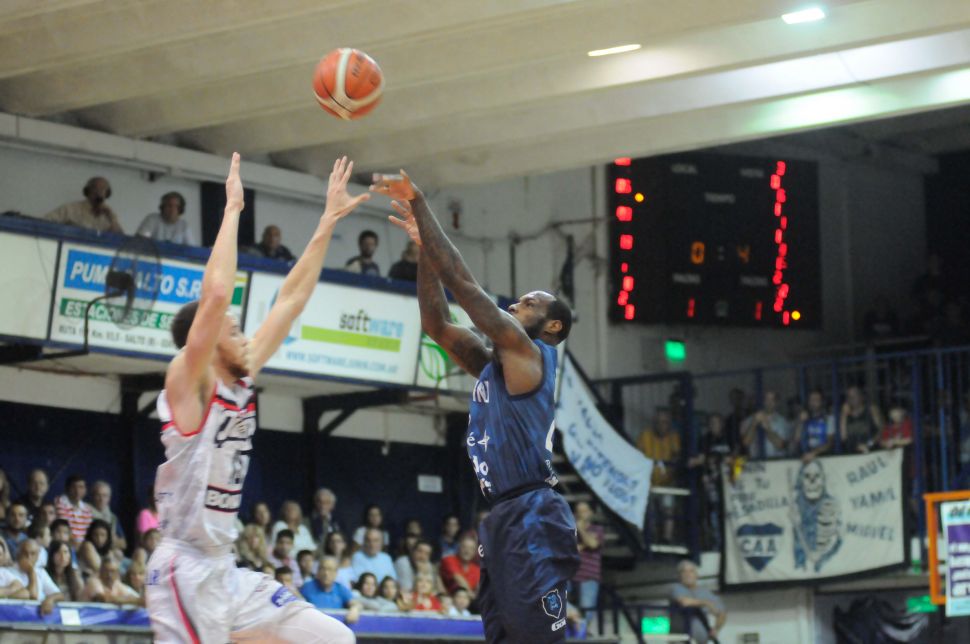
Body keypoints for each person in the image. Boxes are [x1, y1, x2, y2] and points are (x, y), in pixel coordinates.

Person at [143, 154, 366, 643]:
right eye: (233, 330)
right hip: (183, 569)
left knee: (333, 638)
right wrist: (232, 210)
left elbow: (291, 299)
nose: (245, 336)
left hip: (225, 570)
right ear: (205, 343)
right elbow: (216, 296)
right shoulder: (187, 383)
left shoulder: (240, 377)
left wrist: (327, 220)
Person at [376, 172, 578, 642]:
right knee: (500, 635)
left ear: (552, 327)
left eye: (529, 304)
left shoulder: (532, 354)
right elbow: (436, 322)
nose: (517, 304)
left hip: (533, 510)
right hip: (503, 515)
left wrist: (420, 205)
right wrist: (425, 252)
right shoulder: (495, 366)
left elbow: (465, 287)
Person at [638, 409, 682, 543]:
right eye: (658, 422)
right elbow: (638, 456)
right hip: (648, 482)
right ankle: (651, 539)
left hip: (667, 481)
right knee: (649, 512)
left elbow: (677, 456)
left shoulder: (674, 437)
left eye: (665, 422)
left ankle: (666, 539)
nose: (662, 425)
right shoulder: (645, 436)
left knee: (668, 509)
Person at [670, 559, 726, 644]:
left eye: (691, 571)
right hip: (680, 638)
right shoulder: (676, 588)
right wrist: (706, 603)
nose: (687, 574)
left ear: (696, 574)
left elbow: (721, 612)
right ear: (679, 576)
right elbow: (685, 602)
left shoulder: (705, 592)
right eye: (684, 572)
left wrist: (716, 629)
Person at [44, 177, 123, 234]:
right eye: (95, 188)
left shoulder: (109, 215)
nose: (99, 192)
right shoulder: (70, 209)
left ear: (107, 194)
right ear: (87, 191)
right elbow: (45, 222)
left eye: (103, 189)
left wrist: (111, 218)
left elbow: (121, 239)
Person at [6, 539, 64, 615]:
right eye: (25, 553)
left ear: (38, 555)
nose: (29, 557)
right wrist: (31, 572)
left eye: (33, 553)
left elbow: (60, 595)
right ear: (18, 554)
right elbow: (33, 596)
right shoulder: (7, 572)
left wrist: (50, 599)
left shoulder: (41, 572)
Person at [301, 556, 361, 623]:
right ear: (318, 571)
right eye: (323, 569)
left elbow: (356, 603)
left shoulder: (340, 588)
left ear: (336, 573)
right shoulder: (307, 587)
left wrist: (355, 609)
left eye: (330, 569)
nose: (326, 573)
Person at [571, 501, 603, 622]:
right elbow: (569, 549)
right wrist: (585, 544)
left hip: (588, 577)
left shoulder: (597, 529)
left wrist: (581, 529)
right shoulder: (570, 531)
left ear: (590, 513)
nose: (582, 514)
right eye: (579, 512)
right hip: (570, 576)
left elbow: (593, 544)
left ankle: (581, 630)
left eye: (584, 511)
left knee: (587, 612)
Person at [742, 391, 792, 459]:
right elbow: (746, 443)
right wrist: (753, 424)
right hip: (755, 462)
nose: (769, 403)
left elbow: (781, 445)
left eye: (772, 400)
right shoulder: (749, 420)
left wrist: (768, 429)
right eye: (766, 399)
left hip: (776, 462)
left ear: (777, 403)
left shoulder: (783, 422)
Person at [793, 389, 837, 462]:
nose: (813, 403)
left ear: (822, 402)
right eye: (811, 400)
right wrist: (800, 422)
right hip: (805, 457)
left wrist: (813, 453)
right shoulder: (803, 418)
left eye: (816, 400)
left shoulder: (829, 419)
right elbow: (796, 441)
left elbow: (829, 443)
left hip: (825, 458)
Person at [840, 385, 885, 454]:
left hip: (872, 451)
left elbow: (882, 430)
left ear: (862, 396)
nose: (852, 398)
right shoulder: (846, 414)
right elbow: (843, 437)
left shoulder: (871, 410)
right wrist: (844, 415)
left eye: (855, 395)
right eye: (849, 396)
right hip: (852, 451)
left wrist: (869, 444)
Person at [89, 481, 128, 554]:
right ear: (92, 496)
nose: (101, 499)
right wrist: (111, 538)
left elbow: (123, 544)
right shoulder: (85, 514)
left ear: (109, 498)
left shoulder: (113, 517)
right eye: (98, 495)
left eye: (105, 496)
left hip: (111, 552)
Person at [55, 474, 93, 547]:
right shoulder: (59, 503)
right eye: (74, 487)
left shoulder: (87, 509)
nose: (77, 491)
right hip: (66, 544)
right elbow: (64, 530)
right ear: (67, 488)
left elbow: (89, 533)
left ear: (85, 490)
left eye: (81, 487)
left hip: (83, 546)